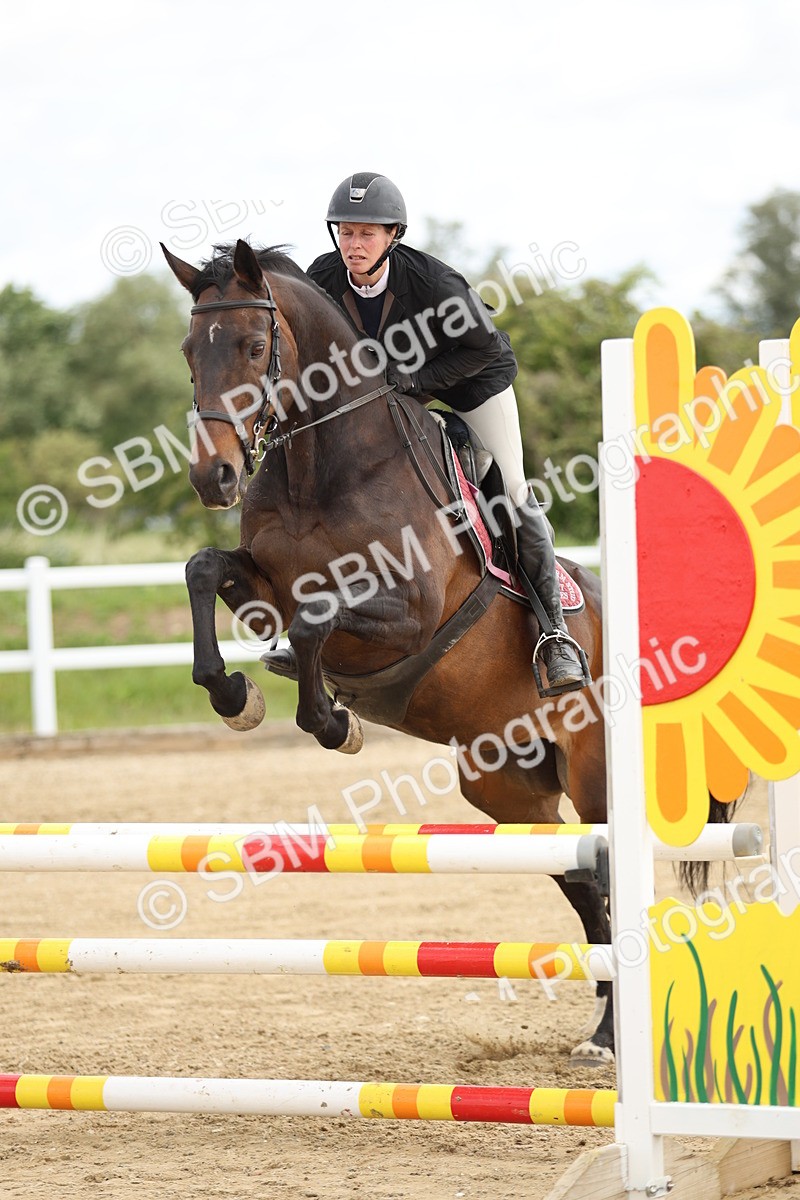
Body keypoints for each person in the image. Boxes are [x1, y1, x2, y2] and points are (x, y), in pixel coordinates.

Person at [306, 171, 587, 693]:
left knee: (513, 490)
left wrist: (414, 382)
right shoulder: (323, 277)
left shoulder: (435, 284)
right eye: (346, 231)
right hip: (392, 393)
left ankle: (556, 635)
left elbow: (485, 349)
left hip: (474, 385)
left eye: (367, 233)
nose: (354, 244)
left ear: (394, 235)